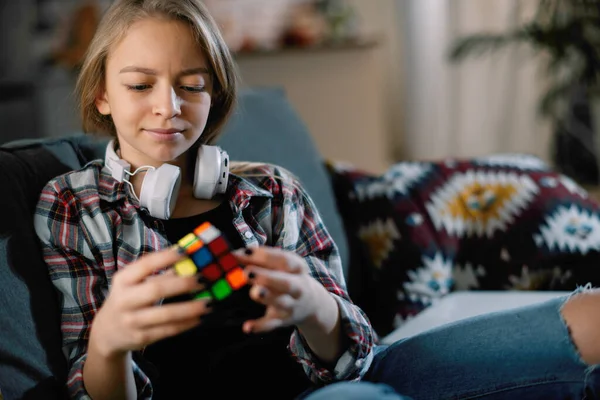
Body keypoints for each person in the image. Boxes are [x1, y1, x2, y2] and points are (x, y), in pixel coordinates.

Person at [32, 1, 600, 399]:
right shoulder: (73, 207)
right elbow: (94, 390)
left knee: (592, 314)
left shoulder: (272, 190)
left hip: (340, 379)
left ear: (215, 93)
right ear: (101, 94)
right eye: (139, 85)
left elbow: (358, 351)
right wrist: (108, 344)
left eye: (191, 84)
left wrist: (313, 305)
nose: (168, 106)